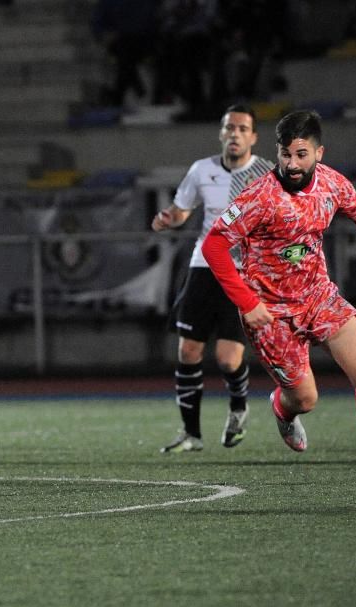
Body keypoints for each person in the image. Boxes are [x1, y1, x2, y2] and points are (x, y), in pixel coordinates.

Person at [202, 109, 356, 486]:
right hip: (270, 312)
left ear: (319, 152)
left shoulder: (332, 184)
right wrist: (247, 302)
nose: (292, 164)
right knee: (305, 400)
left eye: (301, 155)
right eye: (285, 155)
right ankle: (282, 409)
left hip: (319, 298)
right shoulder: (259, 197)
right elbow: (215, 245)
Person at [153, 104, 273, 453]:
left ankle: (238, 408)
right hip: (203, 266)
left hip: (240, 272)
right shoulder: (201, 169)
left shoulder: (265, 173)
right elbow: (182, 211)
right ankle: (191, 434)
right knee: (188, 350)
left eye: (242, 128)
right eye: (229, 127)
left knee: (227, 359)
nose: (234, 133)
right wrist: (168, 219)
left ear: (253, 137)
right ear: (221, 133)